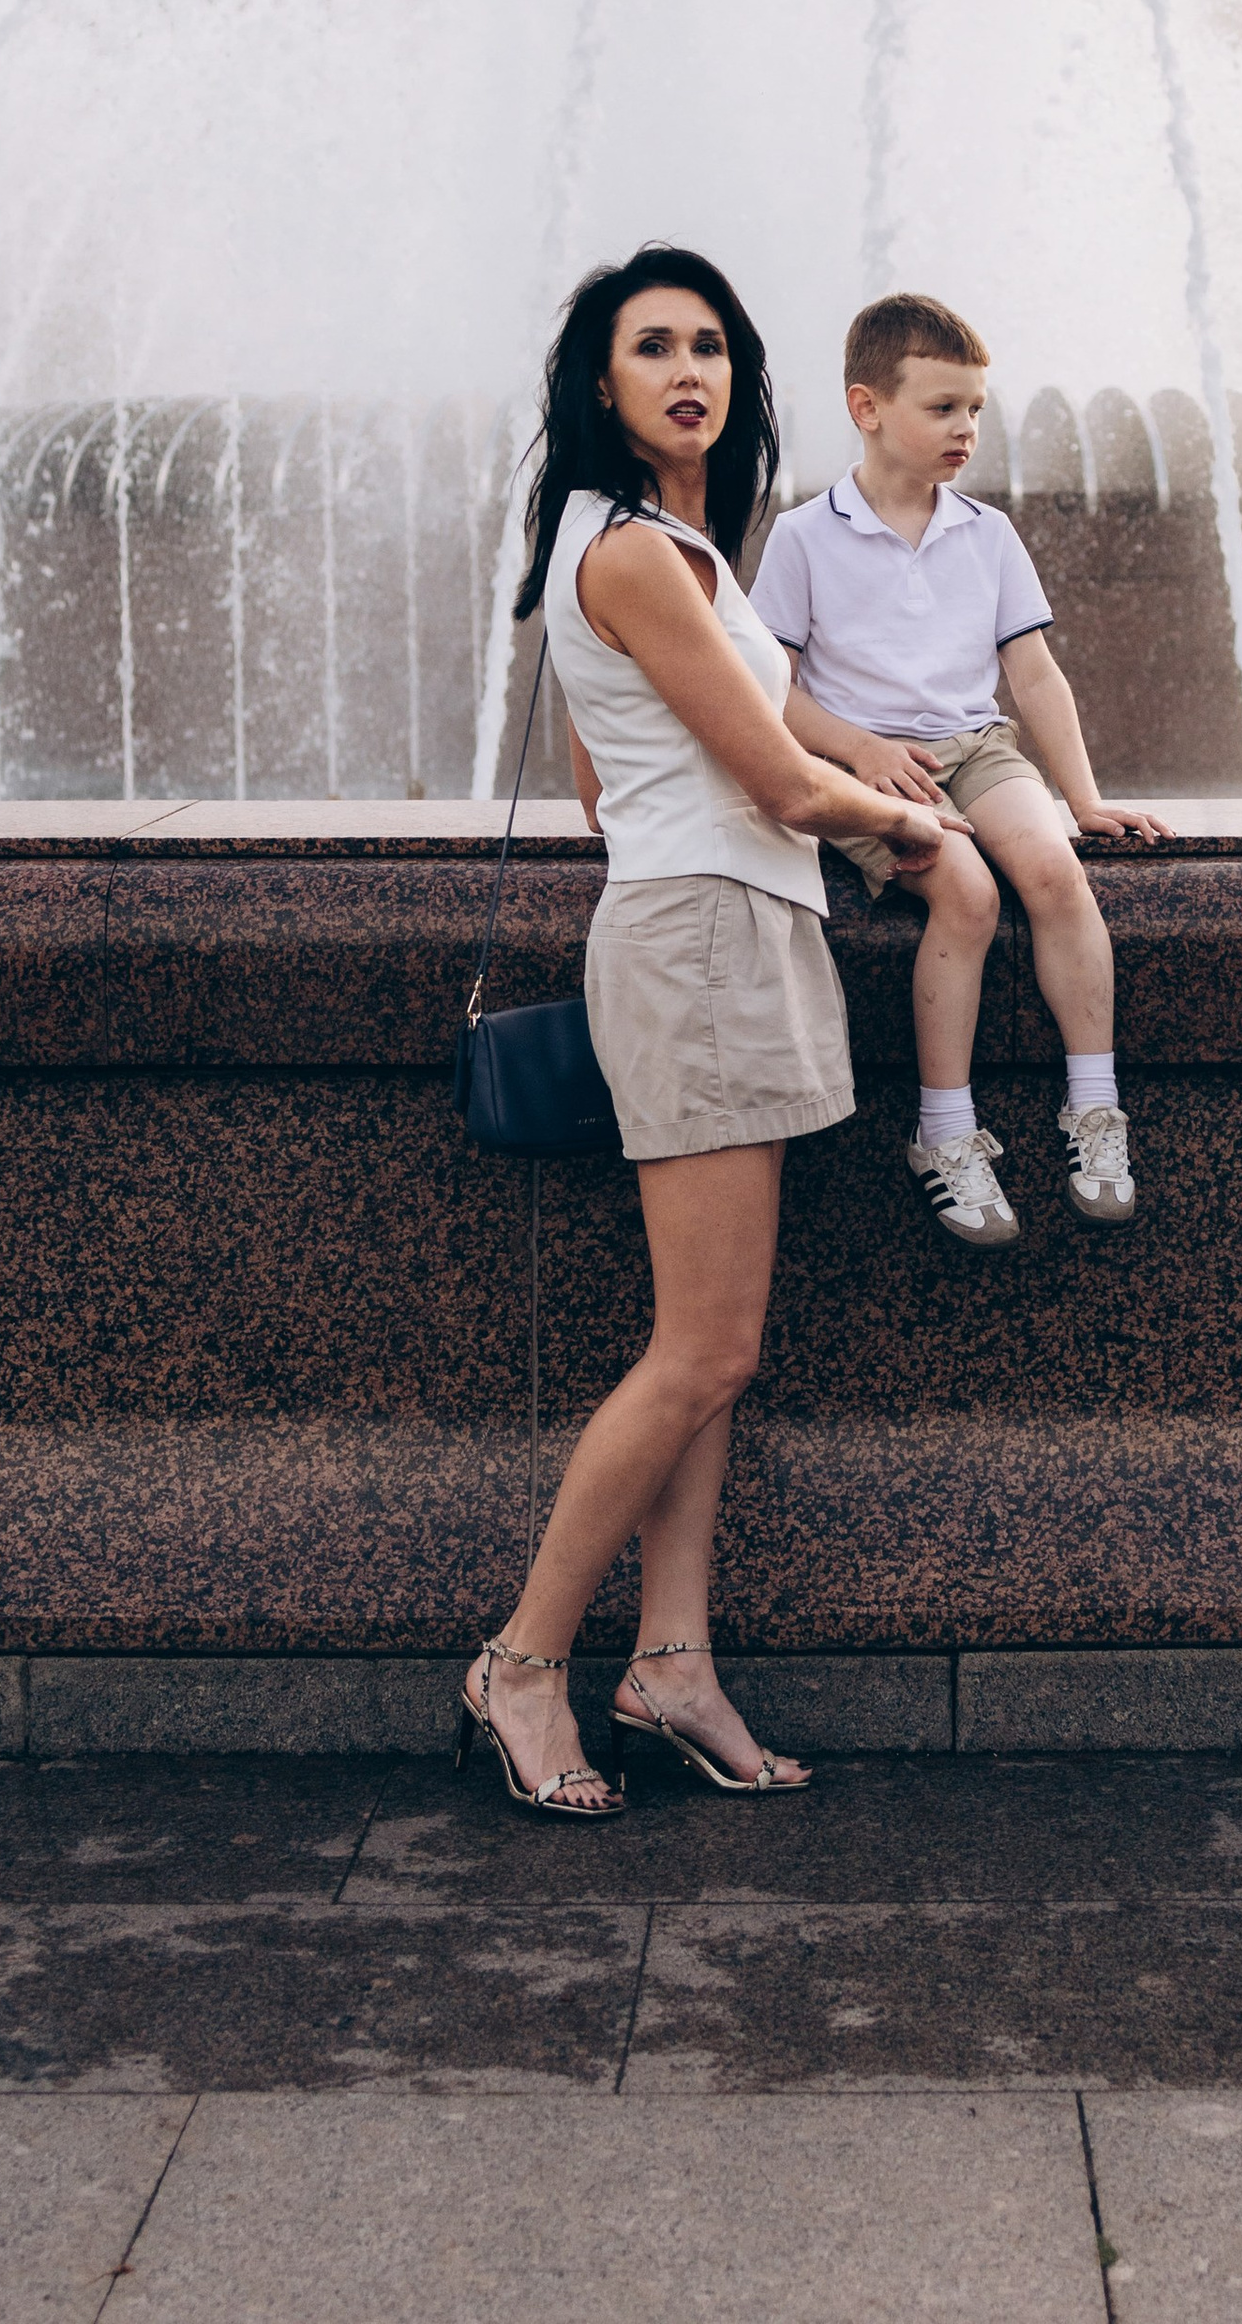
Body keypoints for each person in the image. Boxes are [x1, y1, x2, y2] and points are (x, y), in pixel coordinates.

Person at [456, 243, 951, 1822]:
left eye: (714, 348)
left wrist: (855, 751)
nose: (691, 370)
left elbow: (649, 769)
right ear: (598, 387)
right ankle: (525, 1662)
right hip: (707, 943)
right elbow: (783, 787)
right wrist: (918, 834)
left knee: (717, 1351)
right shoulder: (631, 557)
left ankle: (672, 1660)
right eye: (654, 346)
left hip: (732, 934)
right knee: (704, 1348)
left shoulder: (675, 548)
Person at [750, 290, 1167, 1252]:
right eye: (942, 408)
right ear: (868, 408)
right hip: (863, 769)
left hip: (975, 749)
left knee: (1057, 872)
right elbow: (771, 693)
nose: (966, 429)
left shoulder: (986, 533)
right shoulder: (808, 536)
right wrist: (858, 749)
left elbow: (1033, 674)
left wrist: (1085, 800)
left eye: (975, 409)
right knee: (969, 896)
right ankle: (945, 1134)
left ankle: (1095, 1115)